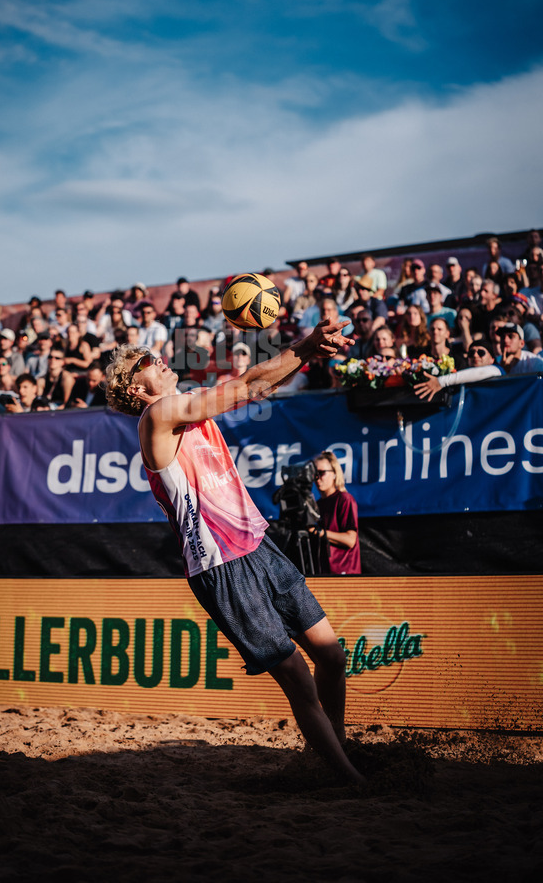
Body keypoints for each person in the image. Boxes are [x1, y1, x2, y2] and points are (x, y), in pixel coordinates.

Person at [104, 319, 364, 784]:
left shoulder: (185, 407)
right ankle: (348, 779)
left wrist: (307, 354)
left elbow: (259, 384)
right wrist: (305, 345)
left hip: (257, 544)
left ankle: (336, 749)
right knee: (298, 678)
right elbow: (247, 385)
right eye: (144, 361)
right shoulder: (156, 418)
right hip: (220, 565)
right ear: (136, 390)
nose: (157, 358)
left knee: (332, 658)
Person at [311, 451, 361, 576]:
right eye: (314, 473)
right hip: (323, 573)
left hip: (344, 574)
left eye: (321, 473)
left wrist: (318, 532)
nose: (317, 478)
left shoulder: (344, 499)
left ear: (334, 473)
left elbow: (350, 539)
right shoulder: (317, 505)